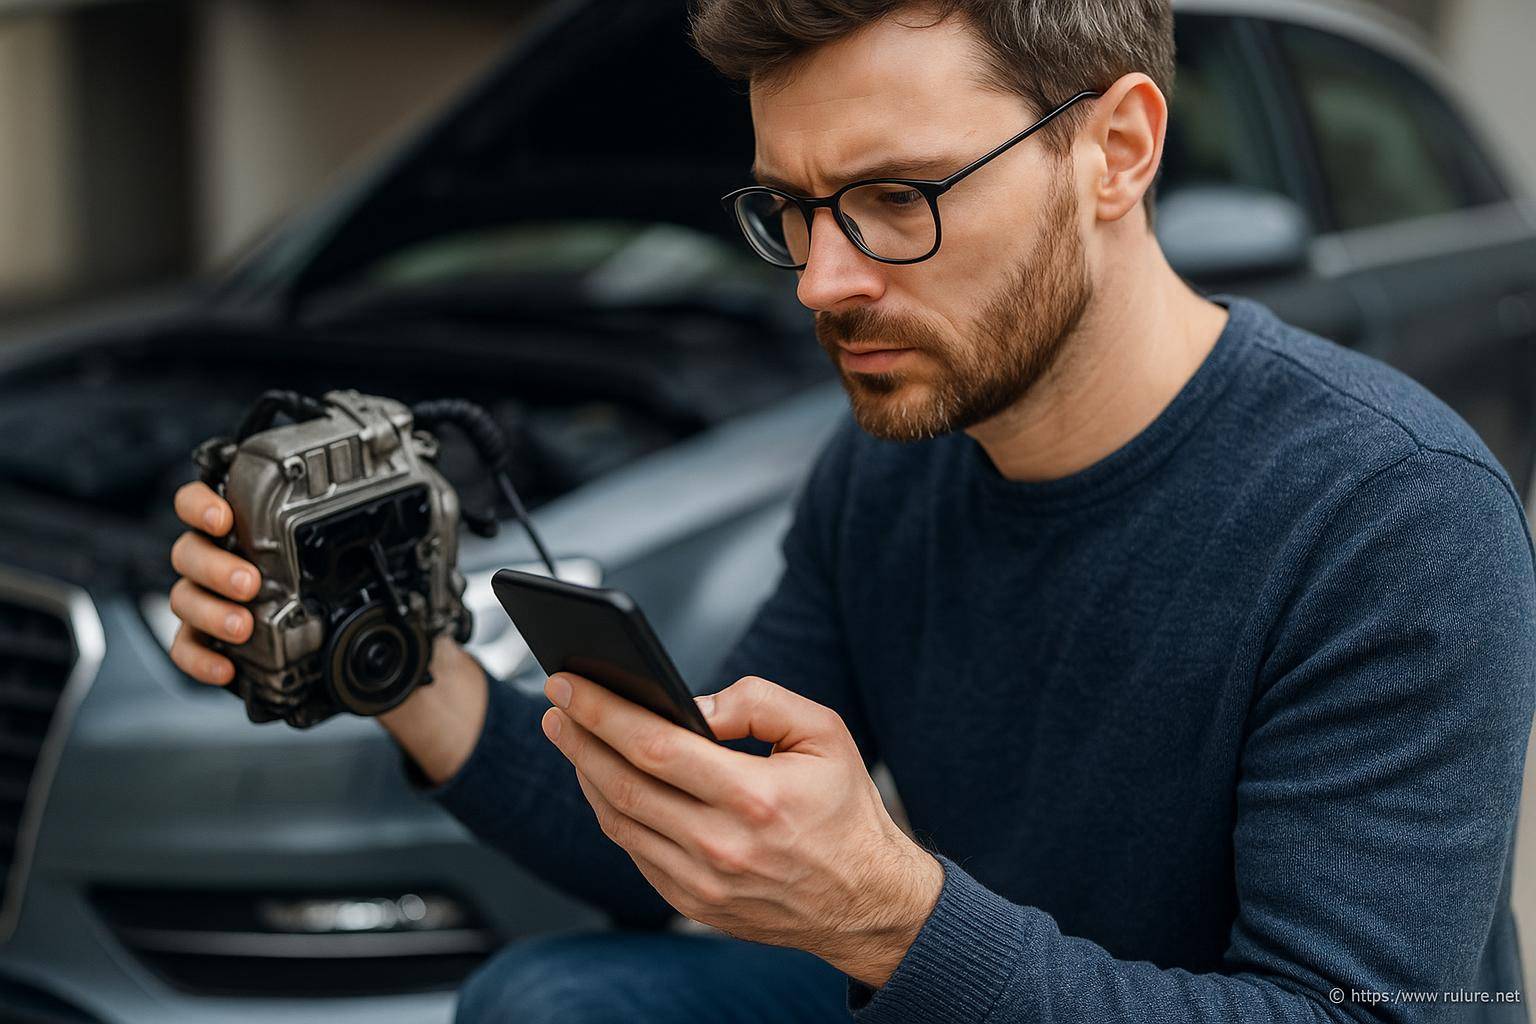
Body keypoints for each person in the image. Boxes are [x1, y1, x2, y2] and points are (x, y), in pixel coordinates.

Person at [165, 1, 1536, 1021]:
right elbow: (675, 835)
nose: (822, 282)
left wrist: (892, 916)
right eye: (793, 208)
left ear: (1116, 150)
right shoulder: (887, 466)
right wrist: (402, 670)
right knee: (551, 1002)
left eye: (893, 198)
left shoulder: (1392, 514)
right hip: (983, 994)